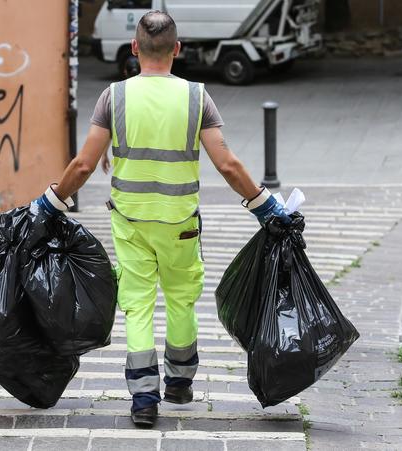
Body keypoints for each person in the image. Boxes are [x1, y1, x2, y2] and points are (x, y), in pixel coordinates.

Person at [33, 10, 290, 428]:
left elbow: (83, 165)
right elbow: (227, 164)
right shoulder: (196, 97)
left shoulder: (114, 97)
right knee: (181, 298)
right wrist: (265, 206)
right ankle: (180, 383)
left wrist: (49, 202)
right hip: (180, 222)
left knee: (137, 305)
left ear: (135, 48)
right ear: (178, 49)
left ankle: (143, 399)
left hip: (131, 221)